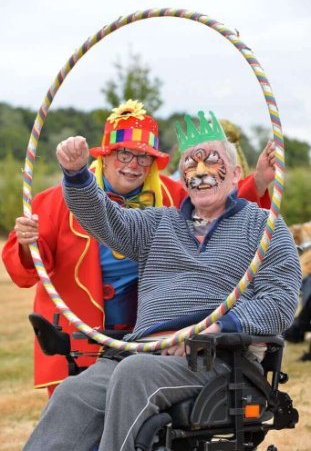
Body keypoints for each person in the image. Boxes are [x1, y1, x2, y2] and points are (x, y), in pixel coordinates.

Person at [23, 109, 301, 451]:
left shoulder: (262, 227)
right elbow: (105, 220)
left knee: (133, 374)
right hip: (145, 352)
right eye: (190, 165)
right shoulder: (159, 224)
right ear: (182, 178)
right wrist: (77, 174)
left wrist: (210, 328)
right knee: (74, 392)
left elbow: (281, 303)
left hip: (214, 358)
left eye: (212, 162)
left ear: (235, 174)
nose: (200, 172)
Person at [2, 100, 274, 396]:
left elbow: (221, 210)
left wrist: (259, 181)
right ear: (104, 156)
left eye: (143, 157)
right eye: (124, 153)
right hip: (81, 337)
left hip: (153, 339)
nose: (133, 165)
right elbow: (25, 273)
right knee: (79, 410)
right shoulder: (54, 201)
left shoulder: (174, 199)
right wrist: (29, 244)